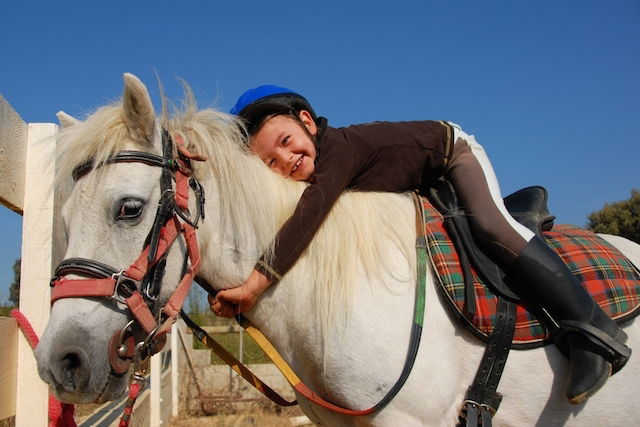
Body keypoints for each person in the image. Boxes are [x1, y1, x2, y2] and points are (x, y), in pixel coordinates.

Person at [209, 85, 630, 403]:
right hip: (421, 184)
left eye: (285, 142)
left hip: (453, 154)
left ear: (306, 120)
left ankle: (594, 333)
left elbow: (307, 219)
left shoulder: (337, 149)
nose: (287, 160)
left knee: (492, 228)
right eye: (271, 164)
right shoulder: (322, 164)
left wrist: (253, 286)